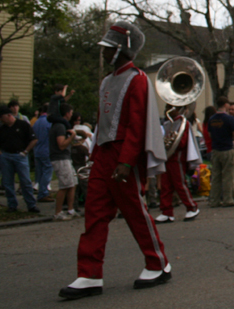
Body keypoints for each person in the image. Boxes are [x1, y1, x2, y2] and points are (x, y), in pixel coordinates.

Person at [60, 20, 170, 300]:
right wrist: (95, 155)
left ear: (122, 50)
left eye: (109, 48)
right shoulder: (107, 80)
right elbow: (102, 122)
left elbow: (136, 124)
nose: (104, 53)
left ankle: (158, 263)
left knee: (135, 211)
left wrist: (127, 160)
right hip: (104, 154)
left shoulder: (138, 78)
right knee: (94, 214)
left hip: (124, 155)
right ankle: (89, 273)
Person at [155, 105, 202, 223]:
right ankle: (166, 212)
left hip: (177, 157)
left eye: (171, 108)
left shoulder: (183, 123)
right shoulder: (167, 123)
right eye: (167, 108)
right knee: (165, 185)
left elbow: (181, 143)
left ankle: (192, 207)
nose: (167, 110)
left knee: (179, 184)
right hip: (168, 158)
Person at [0, 106, 39, 213]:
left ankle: (31, 204)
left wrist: (25, 151)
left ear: (9, 115)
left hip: (20, 155)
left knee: (25, 181)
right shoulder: (1, 129)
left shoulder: (23, 125)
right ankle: (12, 204)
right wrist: (1, 154)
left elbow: (34, 139)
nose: (0, 120)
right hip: (6, 156)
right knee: (8, 182)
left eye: (2, 117)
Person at [207, 96, 234, 208]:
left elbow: (210, 134)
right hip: (227, 148)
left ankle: (214, 200)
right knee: (228, 175)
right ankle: (228, 199)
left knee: (216, 176)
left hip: (215, 149)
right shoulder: (229, 119)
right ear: (226, 105)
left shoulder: (212, 119)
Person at [49, 103, 80, 220]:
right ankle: (58, 212)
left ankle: (70, 210)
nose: (71, 115)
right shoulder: (60, 126)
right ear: (67, 113)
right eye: (71, 113)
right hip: (60, 158)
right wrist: (72, 137)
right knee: (64, 185)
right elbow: (61, 145)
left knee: (73, 183)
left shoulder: (62, 126)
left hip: (65, 158)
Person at [32, 104, 54, 202]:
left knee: (40, 172)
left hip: (37, 150)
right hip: (46, 149)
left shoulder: (36, 122)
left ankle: (41, 191)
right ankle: (43, 192)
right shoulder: (48, 122)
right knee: (47, 171)